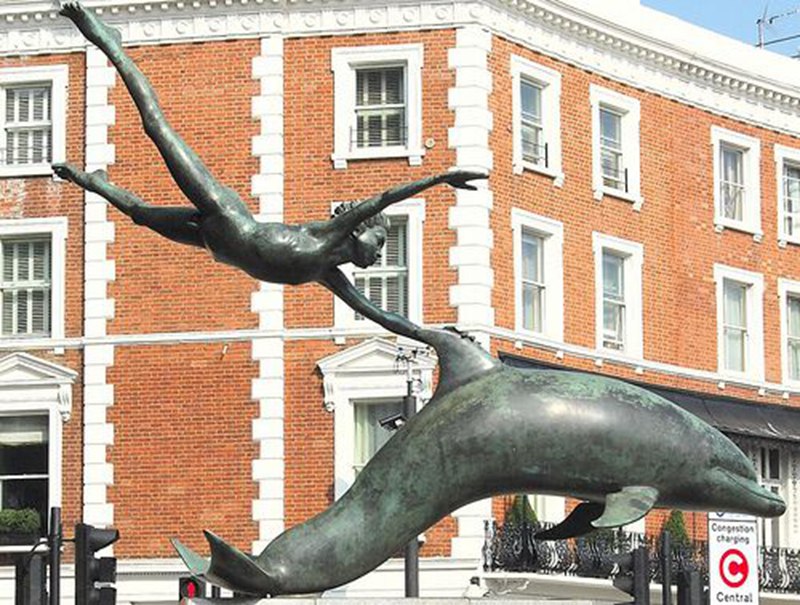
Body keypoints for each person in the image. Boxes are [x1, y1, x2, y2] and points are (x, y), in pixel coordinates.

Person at [53, 2, 486, 301]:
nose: (381, 253)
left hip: (213, 242)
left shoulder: (328, 274)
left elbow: (380, 314)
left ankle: (92, 182)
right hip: (226, 215)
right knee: (157, 129)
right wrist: (441, 178)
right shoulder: (328, 234)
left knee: (139, 215)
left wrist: (435, 339)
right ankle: (110, 42)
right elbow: (385, 198)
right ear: (359, 230)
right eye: (381, 239)